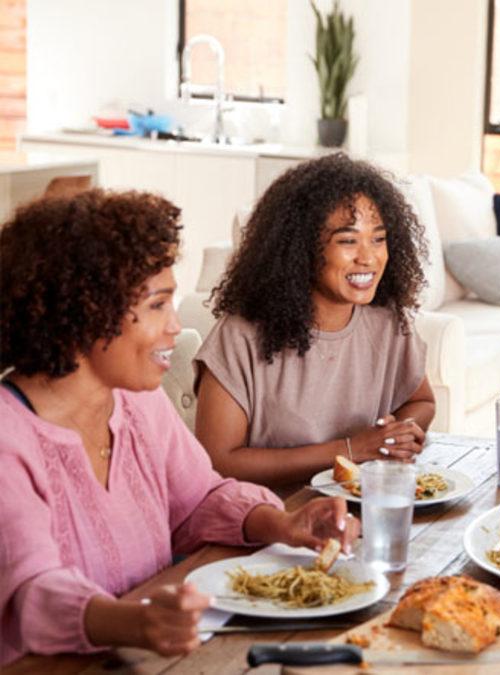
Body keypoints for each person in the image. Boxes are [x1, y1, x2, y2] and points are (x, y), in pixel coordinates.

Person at [0, 190, 360, 666]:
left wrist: (284, 524)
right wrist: (134, 622)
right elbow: (29, 594)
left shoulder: (137, 401)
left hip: (149, 659)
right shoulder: (10, 438)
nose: (175, 326)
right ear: (82, 310)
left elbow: (197, 501)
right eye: (157, 306)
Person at [194, 153, 435, 488]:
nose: (369, 257)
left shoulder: (387, 323)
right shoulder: (240, 336)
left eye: (378, 238)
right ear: (300, 248)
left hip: (360, 507)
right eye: (348, 240)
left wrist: (395, 435)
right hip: (270, 522)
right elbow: (219, 461)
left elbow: (421, 401)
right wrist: (351, 449)